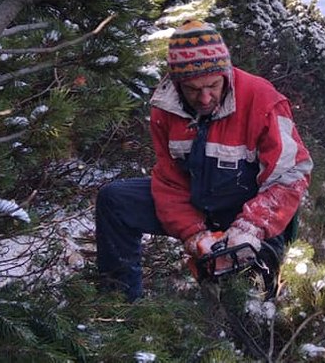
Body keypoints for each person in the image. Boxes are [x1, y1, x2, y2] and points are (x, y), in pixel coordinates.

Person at [95, 20, 313, 302]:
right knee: (115, 200)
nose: (205, 96)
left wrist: (249, 228)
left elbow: (291, 174)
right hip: (197, 199)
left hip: (248, 208)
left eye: (212, 85)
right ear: (177, 84)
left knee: (254, 298)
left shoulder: (262, 100)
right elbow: (170, 181)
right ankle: (118, 303)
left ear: (226, 73)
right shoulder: (165, 108)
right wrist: (194, 235)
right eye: (193, 89)